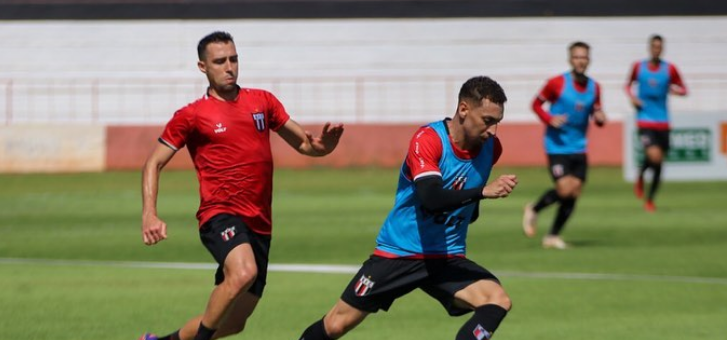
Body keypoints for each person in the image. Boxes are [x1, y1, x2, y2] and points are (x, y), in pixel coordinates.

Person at [138, 31, 344, 340]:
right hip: (220, 214)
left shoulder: (262, 101)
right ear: (202, 67)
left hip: (260, 222)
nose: (229, 67)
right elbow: (153, 163)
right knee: (243, 272)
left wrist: (325, 146)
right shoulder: (192, 115)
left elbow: (305, 145)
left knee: (233, 323)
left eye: (233, 59)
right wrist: (149, 214)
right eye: (219, 61)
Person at [297, 76, 518, 340]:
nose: (493, 131)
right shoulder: (428, 140)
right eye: (487, 121)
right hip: (399, 252)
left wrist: (474, 202)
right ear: (463, 109)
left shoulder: (491, 148)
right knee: (335, 325)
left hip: (445, 257)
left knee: (497, 300)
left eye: (498, 123)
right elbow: (431, 199)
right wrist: (482, 193)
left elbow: (468, 207)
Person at [521, 41, 607, 249]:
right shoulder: (556, 83)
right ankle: (534, 208)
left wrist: (600, 117)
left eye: (584, 57)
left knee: (574, 192)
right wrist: (549, 118)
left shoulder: (594, 87)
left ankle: (552, 236)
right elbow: (536, 104)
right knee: (564, 188)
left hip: (579, 146)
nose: (581, 61)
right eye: (577, 57)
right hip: (556, 145)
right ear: (570, 59)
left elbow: (597, 112)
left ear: (589, 60)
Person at [625, 34, 687, 212]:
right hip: (645, 119)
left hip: (663, 121)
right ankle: (641, 176)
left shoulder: (670, 69)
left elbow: (684, 89)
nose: (656, 50)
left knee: (658, 163)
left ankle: (650, 199)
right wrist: (633, 98)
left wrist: (675, 90)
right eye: (654, 46)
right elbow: (627, 85)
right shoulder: (639, 67)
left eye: (659, 47)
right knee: (654, 156)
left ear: (662, 49)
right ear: (649, 48)